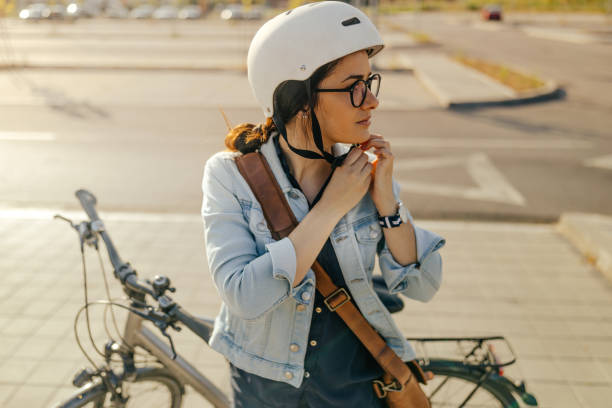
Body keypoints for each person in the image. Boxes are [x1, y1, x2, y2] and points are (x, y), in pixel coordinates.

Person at [201, 2, 446, 407]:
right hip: (265, 384)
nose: (371, 101)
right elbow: (243, 296)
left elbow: (423, 285)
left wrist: (388, 204)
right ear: (299, 99)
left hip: (353, 384)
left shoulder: (364, 170)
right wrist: (330, 208)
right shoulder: (231, 176)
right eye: (354, 86)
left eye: (370, 82)